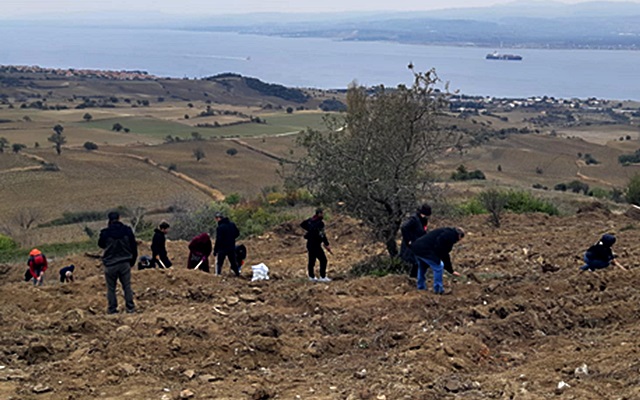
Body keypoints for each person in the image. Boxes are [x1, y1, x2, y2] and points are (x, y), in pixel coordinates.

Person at [98, 211, 137, 314]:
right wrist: (132, 261)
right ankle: (130, 308)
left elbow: (101, 244)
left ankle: (112, 309)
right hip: (124, 263)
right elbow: (134, 246)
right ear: (119, 218)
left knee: (111, 289)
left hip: (110, 264)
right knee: (127, 286)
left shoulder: (105, 233)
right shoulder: (127, 230)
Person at [410, 227, 464, 294]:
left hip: (416, 247)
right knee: (439, 267)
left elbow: (443, 252)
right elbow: (444, 252)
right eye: (461, 238)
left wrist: (450, 270)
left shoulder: (446, 231)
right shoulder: (449, 237)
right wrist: (438, 258)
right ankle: (438, 289)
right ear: (459, 236)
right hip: (425, 250)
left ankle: (421, 287)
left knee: (422, 266)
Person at [301, 208, 333, 282]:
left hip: (309, 244)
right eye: (322, 213)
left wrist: (310, 230)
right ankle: (322, 277)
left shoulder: (310, 221)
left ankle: (311, 276)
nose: (323, 215)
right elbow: (322, 234)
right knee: (323, 260)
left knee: (311, 260)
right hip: (316, 245)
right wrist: (326, 244)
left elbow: (302, 224)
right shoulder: (320, 223)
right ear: (319, 214)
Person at [400, 203, 432, 278]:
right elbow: (404, 227)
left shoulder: (423, 220)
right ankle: (414, 278)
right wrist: (408, 240)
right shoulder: (413, 219)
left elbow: (423, 231)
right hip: (412, 244)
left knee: (419, 262)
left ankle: (416, 278)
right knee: (417, 262)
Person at [214, 212, 240, 276]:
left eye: (216, 218)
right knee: (233, 261)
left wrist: (215, 250)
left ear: (219, 218)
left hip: (222, 248)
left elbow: (218, 240)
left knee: (219, 262)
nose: (216, 220)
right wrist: (231, 238)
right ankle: (237, 274)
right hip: (231, 246)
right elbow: (237, 233)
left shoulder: (220, 227)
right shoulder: (232, 224)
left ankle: (218, 274)